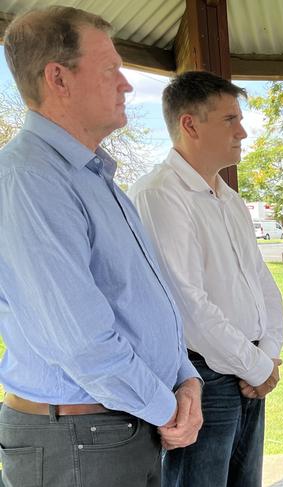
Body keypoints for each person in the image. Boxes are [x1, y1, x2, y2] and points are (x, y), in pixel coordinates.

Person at [0, 7, 202, 487]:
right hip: (79, 437)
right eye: (111, 69)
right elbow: (79, 341)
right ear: (59, 78)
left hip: (112, 427)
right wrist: (167, 405)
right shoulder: (30, 178)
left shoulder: (96, 178)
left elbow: (142, 303)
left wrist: (185, 377)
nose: (126, 85)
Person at [129, 71, 283, 487]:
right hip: (204, 377)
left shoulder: (228, 198)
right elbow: (187, 305)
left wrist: (267, 353)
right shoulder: (160, 193)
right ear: (190, 124)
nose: (244, 132)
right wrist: (256, 365)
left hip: (247, 368)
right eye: (230, 119)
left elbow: (261, 281)